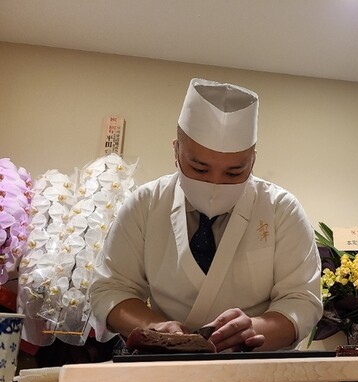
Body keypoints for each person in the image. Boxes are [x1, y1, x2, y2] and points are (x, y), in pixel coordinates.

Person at [90, 78, 322, 352]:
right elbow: (111, 289)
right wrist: (155, 328)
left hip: (257, 365)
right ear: (176, 151)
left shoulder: (281, 209)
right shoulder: (145, 205)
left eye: (234, 172)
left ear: (253, 161)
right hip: (165, 363)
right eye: (199, 169)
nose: (215, 184)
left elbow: (302, 300)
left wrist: (254, 330)